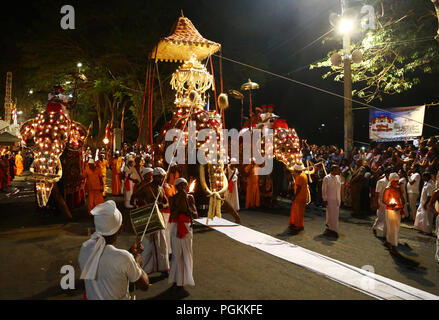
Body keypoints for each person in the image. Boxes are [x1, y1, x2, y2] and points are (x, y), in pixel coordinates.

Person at [78, 200, 150, 300]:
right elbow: (145, 285)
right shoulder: (123, 258)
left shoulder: (85, 248)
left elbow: (107, 262)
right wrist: (136, 261)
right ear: (120, 229)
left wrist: (129, 254)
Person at [135, 167, 170, 276]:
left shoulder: (161, 189)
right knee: (147, 245)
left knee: (161, 244)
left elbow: (166, 203)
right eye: (160, 177)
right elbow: (134, 200)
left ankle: (163, 268)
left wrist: (161, 205)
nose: (162, 179)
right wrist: (146, 205)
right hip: (148, 220)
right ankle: (143, 271)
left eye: (163, 177)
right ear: (154, 177)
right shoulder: (145, 188)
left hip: (158, 219)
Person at [168, 178, 198, 290]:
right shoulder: (172, 198)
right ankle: (177, 280)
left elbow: (195, 214)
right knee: (176, 254)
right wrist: (179, 207)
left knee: (187, 253)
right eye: (180, 186)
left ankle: (186, 279)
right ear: (176, 187)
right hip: (176, 227)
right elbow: (173, 215)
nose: (182, 188)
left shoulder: (190, 198)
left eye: (184, 186)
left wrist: (188, 209)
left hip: (187, 228)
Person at [382, 173, 404, 254]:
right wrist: (391, 204)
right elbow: (384, 200)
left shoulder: (398, 188)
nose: (397, 183)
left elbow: (402, 199)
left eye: (397, 181)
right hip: (390, 210)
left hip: (398, 210)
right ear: (391, 181)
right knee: (392, 228)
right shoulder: (387, 189)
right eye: (395, 181)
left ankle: (389, 241)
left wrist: (401, 193)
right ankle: (393, 245)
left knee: (396, 227)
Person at [288, 163, 309, 234]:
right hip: (302, 196)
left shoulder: (300, 177)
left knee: (298, 212)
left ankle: (297, 225)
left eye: (294, 169)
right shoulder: (304, 175)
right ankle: (298, 224)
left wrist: (294, 196)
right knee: (300, 212)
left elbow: (299, 188)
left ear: (297, 170)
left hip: (299, 197)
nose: (293, 170)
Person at [322, 165, 341, 237]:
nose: (339, 171)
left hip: (337, 199)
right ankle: (332, 229)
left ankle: (332, 228)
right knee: (331, 214)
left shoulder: (338, 177)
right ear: (333, 170)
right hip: (330, 199)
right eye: (337, 169)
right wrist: (324, 199)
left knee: (335, 215)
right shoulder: (327, 178)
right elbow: (324, 190)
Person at [372, 168, 391, 237]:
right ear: (386, 174)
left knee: (387, 218)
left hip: (389, 202)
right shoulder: (381, 181)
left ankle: (385, 234)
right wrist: (376, 202)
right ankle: (374, 227)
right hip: (381, 201)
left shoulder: (392, 182)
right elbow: (377, 193)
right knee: (380, 216)